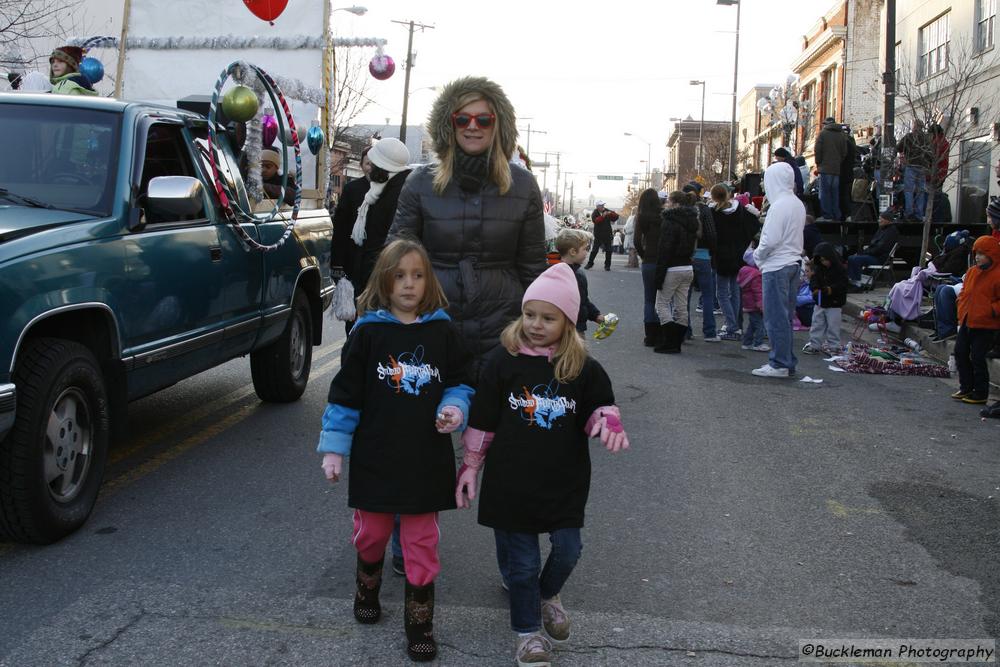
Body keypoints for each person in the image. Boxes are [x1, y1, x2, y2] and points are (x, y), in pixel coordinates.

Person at [453, 262, 629, 667]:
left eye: (548, 318)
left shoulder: (583, 368)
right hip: (512, 481)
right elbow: (483, 420)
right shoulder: (502, 361)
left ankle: (547, 594)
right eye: (529, 314)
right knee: (524, 562)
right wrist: (470, 466)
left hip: (563, 481)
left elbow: (597, 408)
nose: (535, 324)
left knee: (568, 550)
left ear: (567, 321)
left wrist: (606, 421)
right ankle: (527, 634)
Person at [316, 239, 474, 662]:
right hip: (376, 456)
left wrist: (454, 408)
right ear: (384, 281)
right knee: (373, 535)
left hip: (426, 457)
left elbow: (460, 381)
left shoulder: (442, 331)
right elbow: (345, 396)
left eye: (418, 275)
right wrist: (334, 450)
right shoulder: (369, 333)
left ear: (428, 282)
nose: (409, 284)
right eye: (399, 275)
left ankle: (419, 624)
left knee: (421, 541)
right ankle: (367, 583)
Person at [389, 76, 546, 385]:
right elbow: (395, 259)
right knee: (426, 425)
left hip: (502, 327)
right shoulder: (420, 183)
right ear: (450, 125)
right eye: (463, 118)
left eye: (483, 119)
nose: (473, 126)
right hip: (433, 321)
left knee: (495, 428)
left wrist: (543, 328)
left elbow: (533, 268)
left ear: (497, 125)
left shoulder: (524, 185)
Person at [752, 161, 806, 378]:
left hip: (776, 265)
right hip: (793, 263)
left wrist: (757, 255)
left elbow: (770, 239)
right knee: (785, 317)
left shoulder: (779, 206)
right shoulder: (797, 204)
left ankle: (779, 363)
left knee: (775, 317)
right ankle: (786, 361)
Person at [951, 236, 1000, 405]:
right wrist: (960, 306)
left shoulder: (998, 274)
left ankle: (980, 393)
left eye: (982, 254)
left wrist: (991, 310)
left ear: (992, 254)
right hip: (967, 319)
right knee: (960, 352)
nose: (977, 257)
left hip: (986, 324)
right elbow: (965, 292)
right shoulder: (972, 271)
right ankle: (966, 387)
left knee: (978, 357)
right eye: (976, 253)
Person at [710, 183, 760, 340]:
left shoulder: (713, 212)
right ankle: (736, 325)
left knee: (722, 293)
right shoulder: (741, 210)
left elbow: (711, 234)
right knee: (735, 291)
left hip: (721, 256)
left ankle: (732, 326)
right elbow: (753, 226)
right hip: (738, 255)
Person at [653, 190, 700, 354]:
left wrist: (658, 276)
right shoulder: (692, 221)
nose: (666, 204)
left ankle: (670, 340)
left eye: (668, 201)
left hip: (672, 268)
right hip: (687, 267)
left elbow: (664, 250)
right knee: (681, 307)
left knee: (661, 304)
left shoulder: (669, 221)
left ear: (674, 203)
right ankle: (677, 342)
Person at [683, 181, 719, 342]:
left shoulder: (680, 211)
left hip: (686, 257)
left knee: (685, 296)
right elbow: (711, 234)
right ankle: (709, 332)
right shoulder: (704, 210)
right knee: (707, 295)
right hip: (703, 256)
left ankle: (685, 330)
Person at [802, 242, 847, 356]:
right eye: (821, 260)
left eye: (825, 259)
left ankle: (834, 346)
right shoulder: (818, 269)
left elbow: (843, 284)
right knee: (817, 324)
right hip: (820, 302)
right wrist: (815, 289)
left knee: (833, 326)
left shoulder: (839, 269)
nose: (824, 262)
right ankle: (814, 345)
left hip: (834, 303)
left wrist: (830, 289)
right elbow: (814, 280)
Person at [633, 189, 665, 346]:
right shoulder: (664, 215)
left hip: (649, 260)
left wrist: (643, 255)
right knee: (664, 298)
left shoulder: (642, 217)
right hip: (664, 260)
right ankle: (662, 332)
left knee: (649, 299)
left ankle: (650, 336)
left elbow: (637, 240)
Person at [555, 229, 604, 335]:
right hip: (574, 328)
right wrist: (596, 315)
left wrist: (595, 315)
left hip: (560, 326)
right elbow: (582, 301)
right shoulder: (576, 275)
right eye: (585, 249)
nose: (587, 252)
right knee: (578, 351)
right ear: (573, 252)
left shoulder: (554, 271)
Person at [847, 210, 899, 288]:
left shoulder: (891, 232)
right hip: (874, 255)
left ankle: (857, 284)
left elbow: (880, 248)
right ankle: (853, 281)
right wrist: (864, 252)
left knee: (854, 259)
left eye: (881, 219)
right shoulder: (882, 229)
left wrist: (865, 253)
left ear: (887, 220)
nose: (879, 220)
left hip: (880, 258)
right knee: (851, 258)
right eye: (879, 218)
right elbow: (873, 245)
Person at [813, 117, 848, 222]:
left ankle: (827, 215)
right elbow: (844, 152)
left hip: (825, 168)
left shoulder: (822, 134)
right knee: (834, 193)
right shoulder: (841, 135)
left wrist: (819, 163)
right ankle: (836, 214)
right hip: (836, 169)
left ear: (826, 124)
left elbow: (817, 150)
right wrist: (838, 162)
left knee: (825, 193)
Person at [898, 119, 931, 222]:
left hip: (911, 165)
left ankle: (909, 212)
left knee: (909, 190)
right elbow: (930, 154)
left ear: (914, 126)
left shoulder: (909, 137)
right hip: (922, 167)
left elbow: (899, 148)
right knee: (920, 191)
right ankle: (919, 214)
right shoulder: (926, 139)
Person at [737, 246, 768, 352]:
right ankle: (758, 343)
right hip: (755, 304)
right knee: (759, 324)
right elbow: (758, 292)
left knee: (753, 324)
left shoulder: (744, 272)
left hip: (748, 303)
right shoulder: (756, 275)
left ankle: (747, 342)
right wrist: (761, 305)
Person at [585, 201, 619, 270]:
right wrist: (603, 216)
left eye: (603, 205)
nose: (603, 207)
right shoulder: (595, 212)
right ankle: (590, 263)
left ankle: (607, 265)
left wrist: (611, 214)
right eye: (601, 206)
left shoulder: (606, 210)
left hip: (607, 234)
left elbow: (616, 217)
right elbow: (596, 221)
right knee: (594, 250)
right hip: (598, 234)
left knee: (609, 250)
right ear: (597, 207)